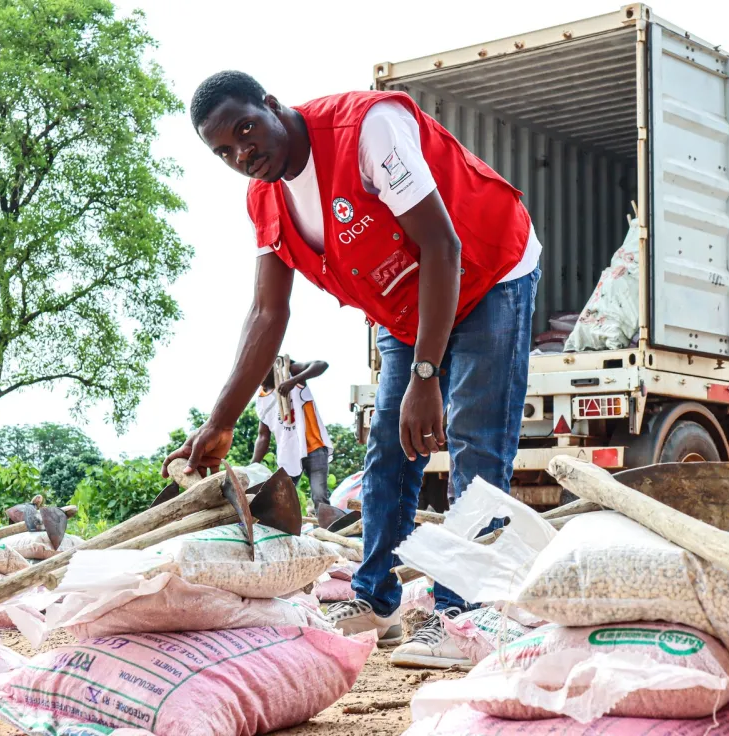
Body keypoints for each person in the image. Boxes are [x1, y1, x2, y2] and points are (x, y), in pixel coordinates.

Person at [163, 70, 541, 669]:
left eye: (246, 129)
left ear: (270, 104)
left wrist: (425, 377)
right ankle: (375, 598)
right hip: (403, 306)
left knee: (475, 438)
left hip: (488, 269)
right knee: (388, 449)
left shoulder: (367, 130)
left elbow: (444, 248)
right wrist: (219, 423)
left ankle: (464, 613)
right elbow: (267, 313)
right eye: (224, 151)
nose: (243, 153)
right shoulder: (265, 199)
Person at [251, 358, 333, 508]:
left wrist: (294, 381)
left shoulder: (290, 373)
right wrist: (253, 464)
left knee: (319, 496)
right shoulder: (262, 401)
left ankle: (323, 530)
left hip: (313, 447)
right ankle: (281, 529)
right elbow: (263, 436)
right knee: (281, 498)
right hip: (289, 453)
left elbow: (322, 364)